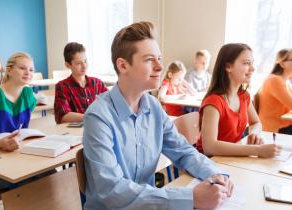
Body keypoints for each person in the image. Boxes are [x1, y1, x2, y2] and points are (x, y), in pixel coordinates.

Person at [82, 21, 233, 210]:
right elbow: (112, 191)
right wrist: (191, 198)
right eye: (149, 59)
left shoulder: (153, 106)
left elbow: (184, 152)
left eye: (159, 59)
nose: (160, 67)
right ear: (123, 65)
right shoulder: (98, 116)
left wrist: (217, 175)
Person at [0, 52, 51, 190]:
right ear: (9, 70)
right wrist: (1, 143)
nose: (28, 72)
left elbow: (22, 132)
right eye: (22, 68)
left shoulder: (28, 95)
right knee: (33, 179)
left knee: (51, 173)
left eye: (31, 69)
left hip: (11, 159)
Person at [198, 43, 281, 158]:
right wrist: (256, 150)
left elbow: (256, 123)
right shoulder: (213, 102)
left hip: (232, 158)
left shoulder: (244, 96)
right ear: (228, 67)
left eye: (252, 63)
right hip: (211, 162)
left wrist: (254, 134)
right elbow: (210, 147)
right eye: (246, 63)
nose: (253, 68)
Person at [54, 42, 108, 124]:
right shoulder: (62, 86)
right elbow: (63, 116)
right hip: (75, 133)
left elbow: (111, 105)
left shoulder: (97, 83)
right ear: (68, 65)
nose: (84, 66)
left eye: (85, 61)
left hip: (98, 128)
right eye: (79, 63)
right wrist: (91, 117)